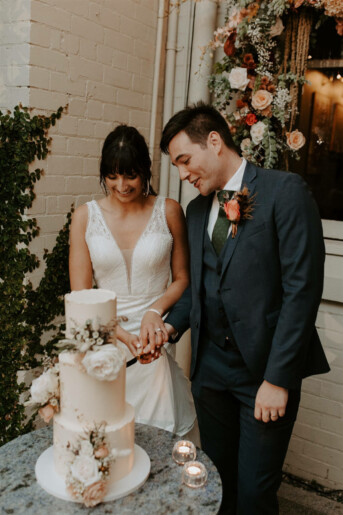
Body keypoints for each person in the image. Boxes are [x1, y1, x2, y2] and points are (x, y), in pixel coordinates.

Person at [158, 103, 330, 514]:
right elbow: (197, 291)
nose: (182, 174)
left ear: (214, 141)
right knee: (218, 485)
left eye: (185, 160)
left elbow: (302, 291)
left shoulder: (285, 192)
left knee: (254, 495)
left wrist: (278, 379)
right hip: (210, 375)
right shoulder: (197, 211)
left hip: (263, 375)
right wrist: (168, 328)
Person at [69, 124, 196, 436]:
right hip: (106, 335)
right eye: (112, 176)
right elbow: (81, 296)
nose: (121, 185)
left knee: (159, 437)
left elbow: (182, 278)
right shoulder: (85, 217)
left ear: (145, 171)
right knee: (106, 436)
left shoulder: (169, 211)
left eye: (130, 175)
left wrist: (155, 313)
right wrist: (124, 337)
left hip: (155, 336)